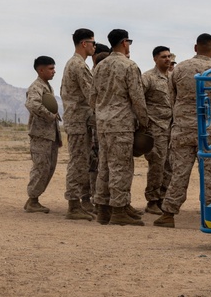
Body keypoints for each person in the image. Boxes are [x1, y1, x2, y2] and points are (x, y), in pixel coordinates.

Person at [154, 33, 211, 228]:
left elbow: (171, 96)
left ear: (195, 48)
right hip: (209, 129)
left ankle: (168, 214)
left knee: (179, 172)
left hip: (183, 128)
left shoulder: (180, 68)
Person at [92, 29, 150, 226]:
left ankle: (103, 210)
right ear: (125, 42)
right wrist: (144, 122)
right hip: (122, 124)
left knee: (104, 166)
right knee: (121, 167)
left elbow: (93, 96)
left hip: (103, 123)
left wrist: (100, 114)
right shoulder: (129, 66)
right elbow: (137, 98)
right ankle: (118, 211)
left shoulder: (100, 66)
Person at [60, 28, 97, 221]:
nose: (94, 46)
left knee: (80, 161)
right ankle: (73, 205)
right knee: (78, 162)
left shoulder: (71, 64)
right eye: (92, 42)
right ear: (84, 44)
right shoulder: (79, 65)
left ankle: (76, 204)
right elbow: (91, 94)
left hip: (77, 119)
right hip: (79, 120)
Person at [24, 56, 61, 214]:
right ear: (41, 70)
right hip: (40, 134)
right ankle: (32, 200)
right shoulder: (36, 87)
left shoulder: (47, 86)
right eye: (50, 68)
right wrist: (50, 115)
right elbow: (32, 104)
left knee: (49, 167)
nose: (54, 71)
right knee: (41, 167)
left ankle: (34, 199)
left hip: (50, 135)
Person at [142, 45, 174, 214]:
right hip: (155, 128)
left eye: (169, 56)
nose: (167, 59)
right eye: (163, 57)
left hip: (172, 128)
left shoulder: (173, 77)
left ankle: (163, 197)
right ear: (155, 59)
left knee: (169, 165)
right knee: (157, 165)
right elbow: (139, 100)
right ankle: (152, 200)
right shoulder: (148, 78)